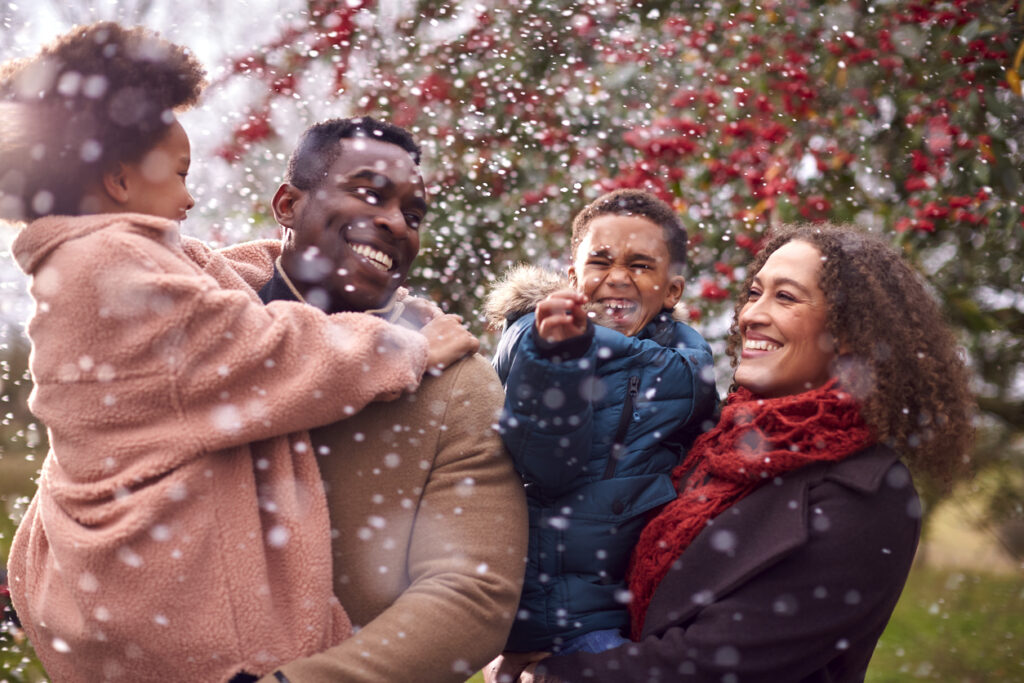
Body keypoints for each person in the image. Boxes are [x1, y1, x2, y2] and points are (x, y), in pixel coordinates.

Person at [1, 24, 476, 683]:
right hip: (170, 610)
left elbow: (218, 281)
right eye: (179, 173)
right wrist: (408, 345)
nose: (192, 195)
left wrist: (302, 264)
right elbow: (264, 349)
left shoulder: (98, 260)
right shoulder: (108, 263)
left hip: (103, 608)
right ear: (117, 178)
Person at [488, 222, 974, 682]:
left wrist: (557, 674)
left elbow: (719, 665)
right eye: (754, 293)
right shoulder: (710, 442)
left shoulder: (866, 495)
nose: (750, 315)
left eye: (785, 297)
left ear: (851, 333)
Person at [202, 116, 528, 683]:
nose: (395, 223)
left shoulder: (454, 384)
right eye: (369, 193)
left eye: (414, 214)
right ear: (287, 204)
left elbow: (473, 593)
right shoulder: (192, 338)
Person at [484, 189, 717, 658]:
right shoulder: (538, 341)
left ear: (672, 290)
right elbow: (547, 464)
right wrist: (559, 360)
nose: (617, 278)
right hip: (552, 609)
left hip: (630, 603)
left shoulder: (688, 367)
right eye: (601, 262)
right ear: (573, 276)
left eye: (640, 265)